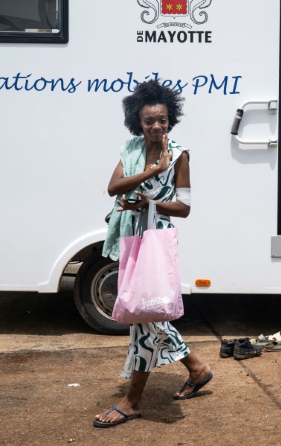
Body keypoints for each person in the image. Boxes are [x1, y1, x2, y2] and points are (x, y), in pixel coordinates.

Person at [95, 79, 212, 428]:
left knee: (146, 318)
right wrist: (150, 173)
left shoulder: (179, 154)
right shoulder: (130, 148)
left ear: (170, 118)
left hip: (155, 240)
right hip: (132, 237)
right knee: (147, 313)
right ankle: (198, 368)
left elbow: (185, 207)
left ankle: (132, 401)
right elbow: (113, 187)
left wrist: (151, 201)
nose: (156, 126)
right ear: (138, 123)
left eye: (162, 119)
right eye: (149, 121)